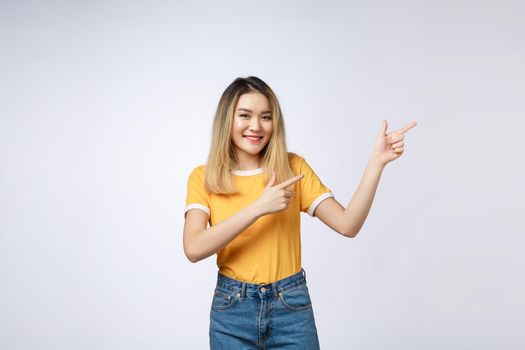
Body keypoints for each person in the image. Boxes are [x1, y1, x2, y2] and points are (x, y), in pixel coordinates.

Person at [183, 76, 417, 349]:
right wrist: (259, 207)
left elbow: (347, 224)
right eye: (245, 115)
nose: (256, 126)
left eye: (266, 117)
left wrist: (376, 163)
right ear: (227, 119)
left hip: (290, 307)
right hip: (232, 310)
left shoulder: (292, 167)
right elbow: (193, 248)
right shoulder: (204, 177)